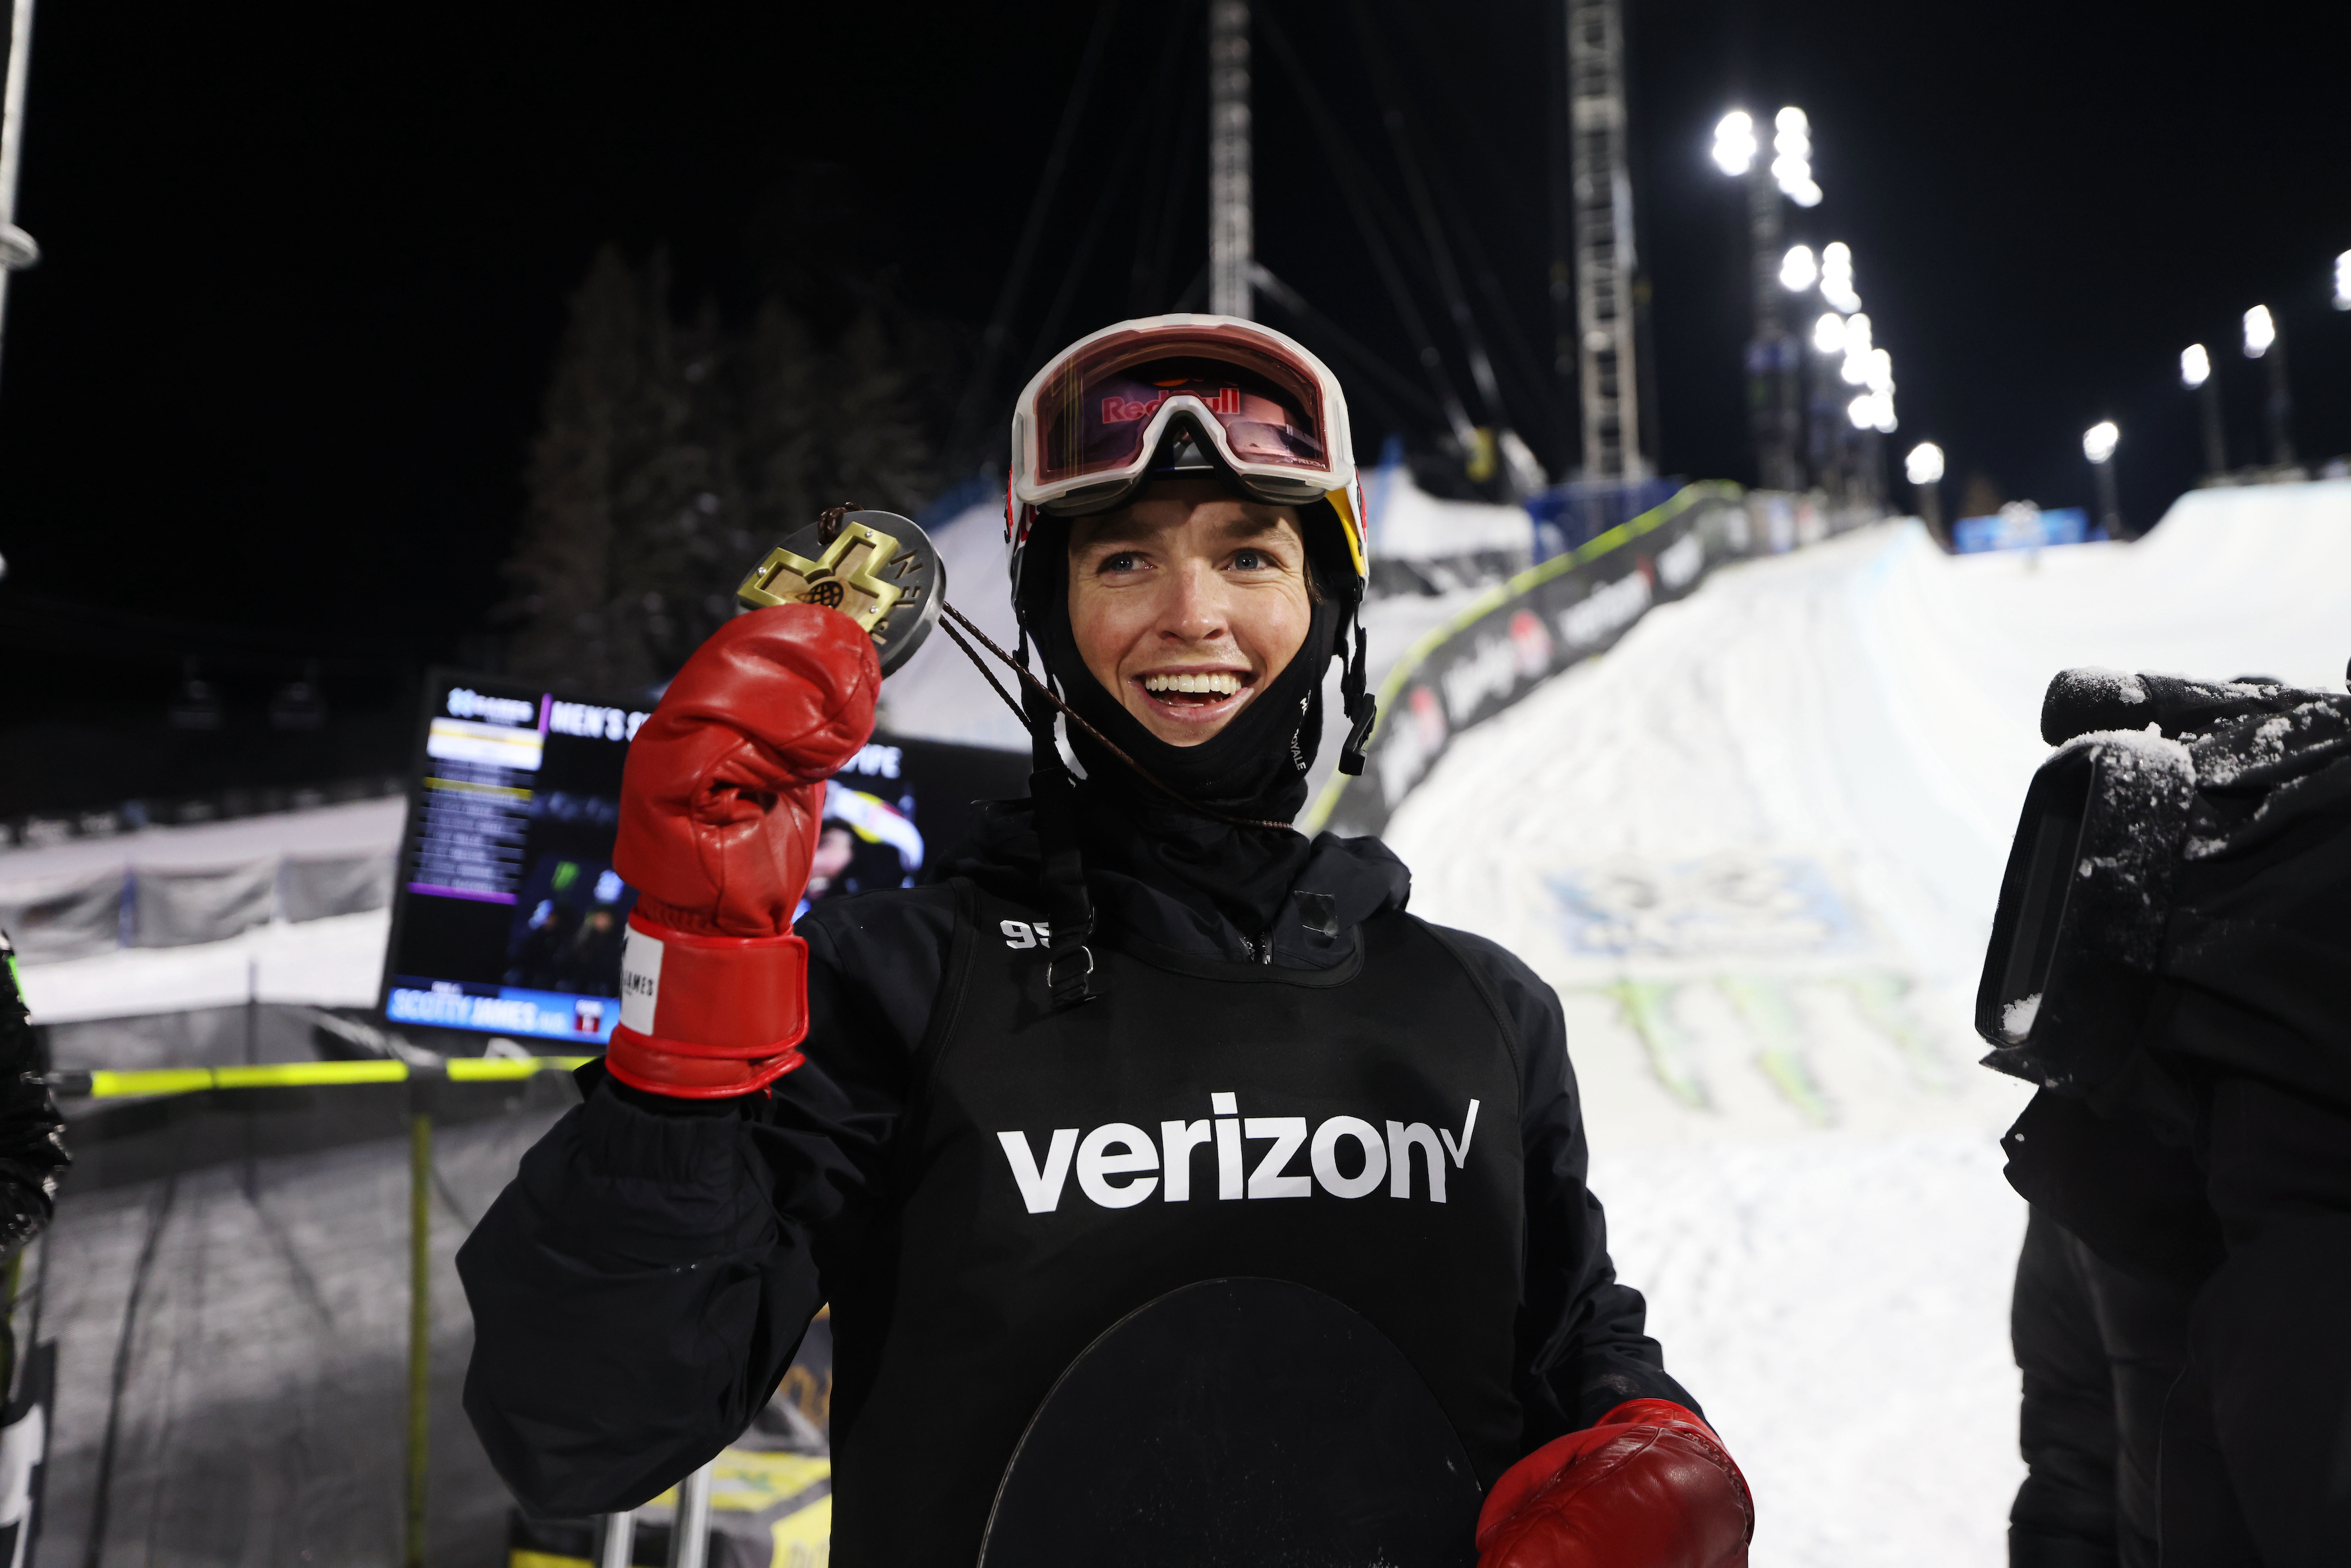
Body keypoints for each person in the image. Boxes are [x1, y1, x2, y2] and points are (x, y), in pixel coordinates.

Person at [458, 316, 1753, 1567]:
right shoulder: (896, 990)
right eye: (1123, 559)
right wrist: (692, 977)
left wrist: (1661, 1452)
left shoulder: (1482, 1011)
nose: (1191, 612)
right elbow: (582, 1427)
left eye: (1251, 555)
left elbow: (1581, 1356)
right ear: (1048, 615)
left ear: (1330, 606)